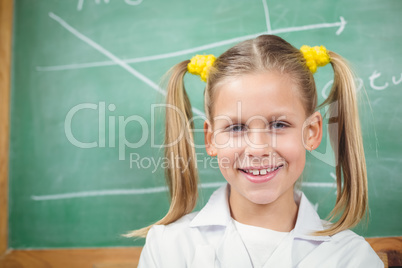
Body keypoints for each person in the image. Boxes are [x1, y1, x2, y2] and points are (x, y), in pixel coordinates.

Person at [124, 35, 383, 267]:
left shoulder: (353, 258)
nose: (258, 148)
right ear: (211, 138)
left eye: (279, 124)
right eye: (236, 127)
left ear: (311, 131)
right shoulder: (169, 247)